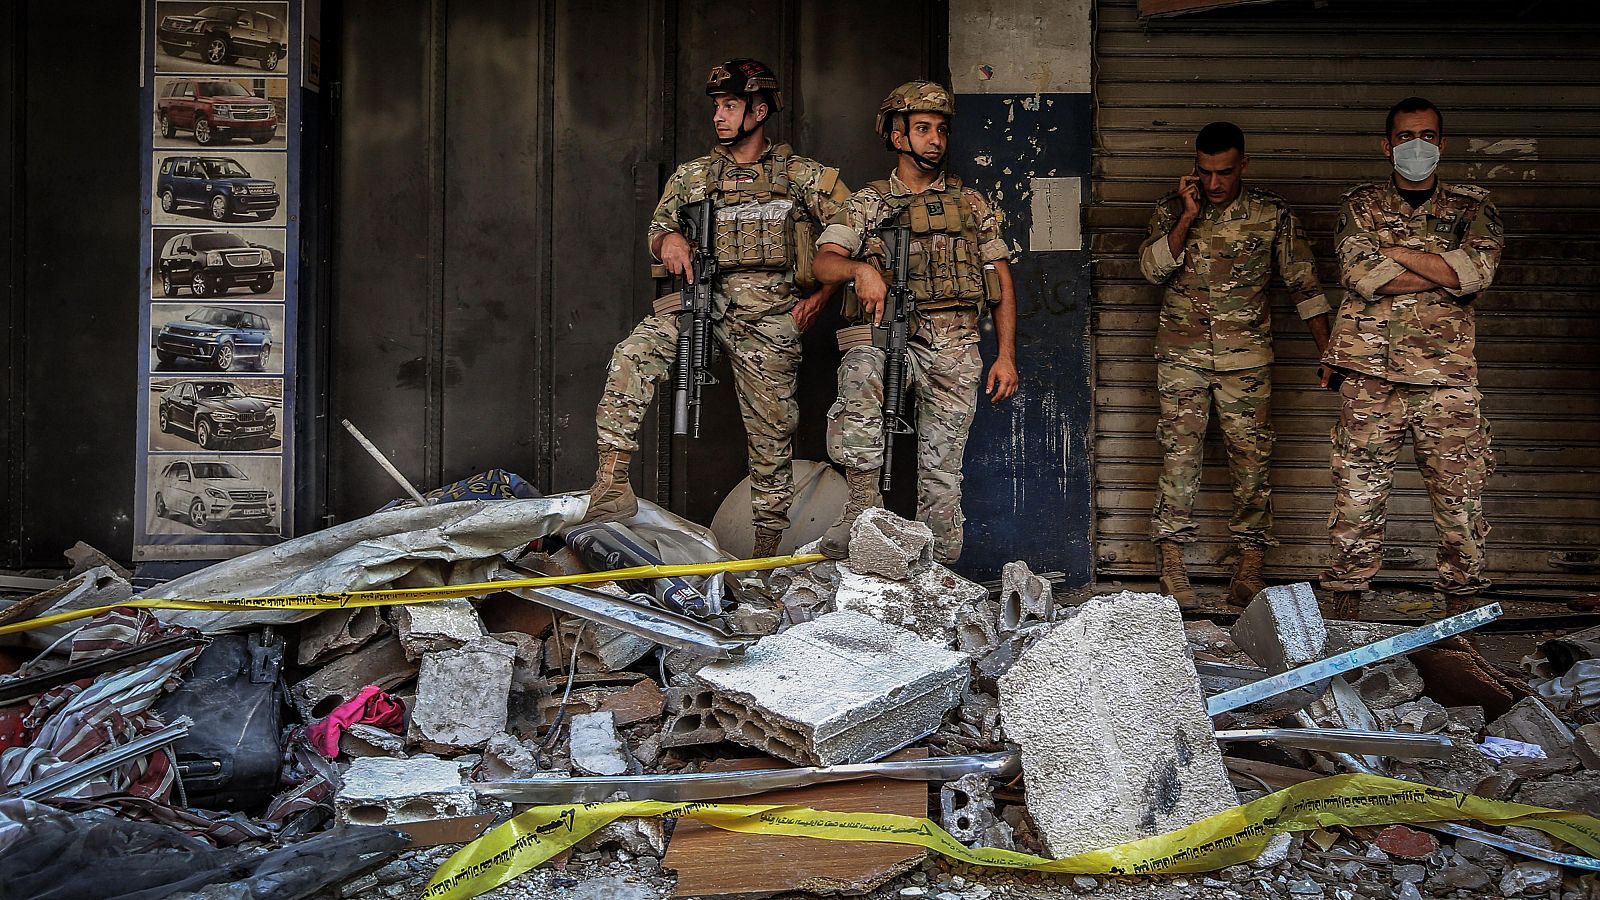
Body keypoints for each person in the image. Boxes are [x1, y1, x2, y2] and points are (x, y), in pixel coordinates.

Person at [583, 59, 850, 560]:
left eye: (730, 106)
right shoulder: (694, 177)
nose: (719, 117)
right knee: (631, 356)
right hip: (697, 304)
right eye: (717, 107)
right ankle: (611, 483)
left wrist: (818, 299)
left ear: (760, 110)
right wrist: (668, 243)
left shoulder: (802, 177)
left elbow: (850, 240)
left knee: (771, 437)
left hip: (769, 320)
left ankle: (766, 553)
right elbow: (657, 228)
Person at [810, 80, 1019, 564]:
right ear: (898, 136)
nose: (936, 140)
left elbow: (1002, 284)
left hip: (954, 342)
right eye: (923, 128)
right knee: (860, 368)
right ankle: (862, 505)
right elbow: (824, 263)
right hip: (887, 332)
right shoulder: (869, 202)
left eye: (942, 130)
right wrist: (860, 269)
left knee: (943, 474)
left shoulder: (970, 206)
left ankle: (936, 572)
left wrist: (1005, 356)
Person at [1320, 97, 1504, 620]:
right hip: (1370, 377)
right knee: (1357, 499)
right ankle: (1344, 614)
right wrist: (1443, 266)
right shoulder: (1359, 205)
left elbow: (1477, 273)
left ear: (1442, 144)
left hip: (1446, 380)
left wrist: (1395, 252)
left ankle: (1460, 617)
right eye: (1405, 136)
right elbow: (1361, 276)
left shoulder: (1474, 207)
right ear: (1387, 145)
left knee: (1459, 502)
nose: (1416, 145)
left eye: (1426, 135)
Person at [1137, 122, 1331, 608]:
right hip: (1183, 357)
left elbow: (1304, 287)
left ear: (1243, 164)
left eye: (1224, 172)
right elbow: (1153, 269)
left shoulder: (1271, 214)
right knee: (1179, 459)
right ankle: (1174, 569)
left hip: (1247, 361)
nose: (1214, 183)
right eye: (1204, 172)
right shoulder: (1170, 209)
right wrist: (1187, 216)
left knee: (1252, 464)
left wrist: (1329, 352)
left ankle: (1249, 569)